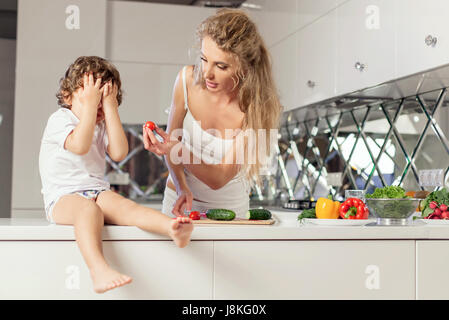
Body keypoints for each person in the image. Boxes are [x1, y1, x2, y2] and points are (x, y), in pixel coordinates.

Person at [38, 56, 194, 294]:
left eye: (105, 98)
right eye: (91, 96)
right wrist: (92, 108)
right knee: (88, 210)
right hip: (62, 197)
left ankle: (173, 228)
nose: (98, 104)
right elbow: (79, 144)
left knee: (127, 208)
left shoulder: (100, 125)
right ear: (68, 96)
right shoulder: (60, 119)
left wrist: (109, 109)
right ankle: (98, 270)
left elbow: (119, 152)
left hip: (96, 191)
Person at [143, 9, 282, 218]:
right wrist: (181, 186)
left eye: (221, 66)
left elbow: (219, 177)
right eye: (204, 59)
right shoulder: (186, 80)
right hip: (178, 201)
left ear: (245, 68)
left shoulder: (256, 106)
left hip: (230, 210)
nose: (207, 73)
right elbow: (172, 144)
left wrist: (178, 150)